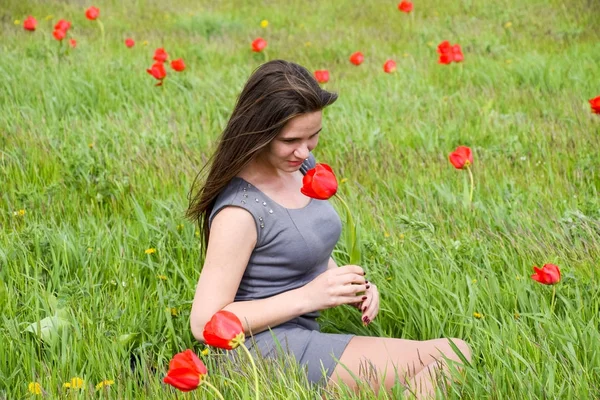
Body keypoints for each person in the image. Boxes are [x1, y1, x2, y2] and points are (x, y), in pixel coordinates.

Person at [186, 59, 471, 398]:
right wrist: (310, 296)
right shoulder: (240, 211)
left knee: (450, 356)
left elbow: (301, 246)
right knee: (451, 354)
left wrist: (348, 287)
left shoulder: (300, 165)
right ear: (258, 131)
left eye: (314, 136)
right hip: (261, 350)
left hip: (299, 335)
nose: (304, 151)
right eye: (291, 139)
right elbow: (205, 322)